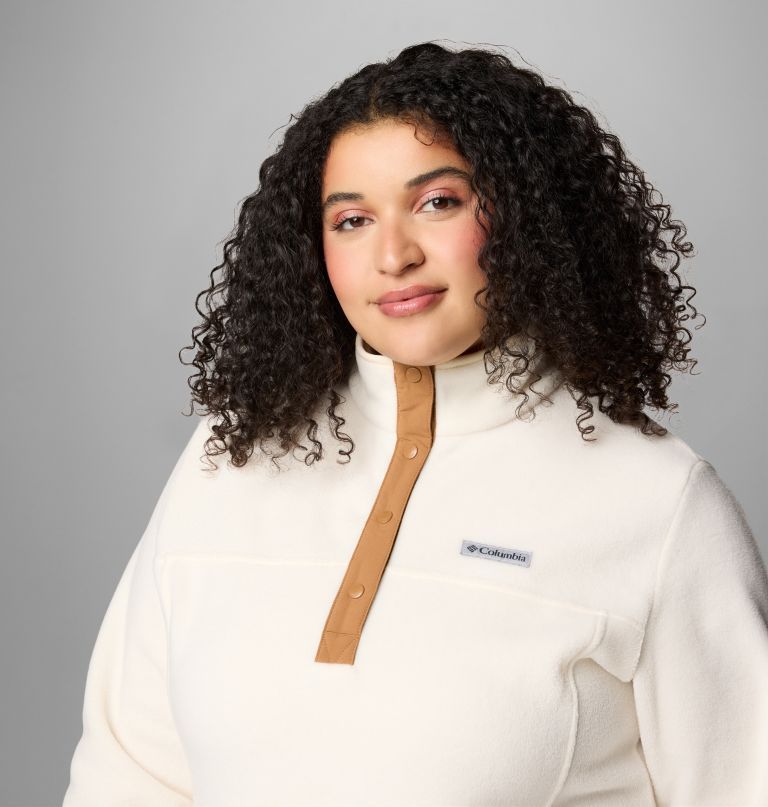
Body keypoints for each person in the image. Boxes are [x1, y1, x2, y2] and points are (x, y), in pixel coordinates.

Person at [63, 41, 768, 806]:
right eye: (352, 219)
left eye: (438, 203)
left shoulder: (658, 503)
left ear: (525, 214)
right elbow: (127, 775)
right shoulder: (226, 459)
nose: (392, 255)